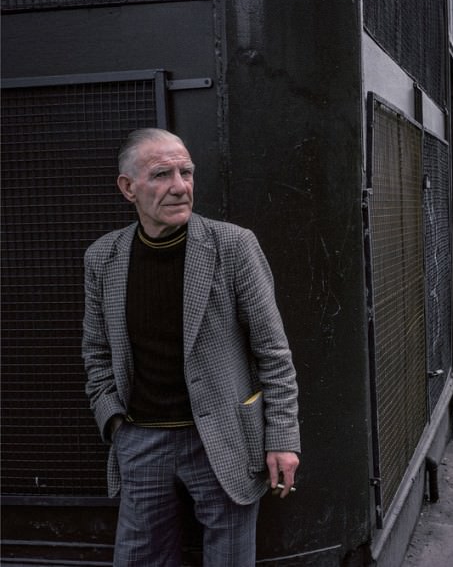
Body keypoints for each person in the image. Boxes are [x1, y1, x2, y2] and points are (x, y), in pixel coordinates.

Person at [83, 128, 301, 566]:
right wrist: (114, 422)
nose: (180, 186)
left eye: (186, 172)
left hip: (222, 438)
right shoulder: (103, 257)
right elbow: (96, 351)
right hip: (141, 441)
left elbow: (273, 353)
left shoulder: (233, 246)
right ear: (128, 188)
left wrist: (282, 438)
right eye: (162, 174)